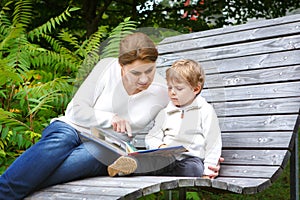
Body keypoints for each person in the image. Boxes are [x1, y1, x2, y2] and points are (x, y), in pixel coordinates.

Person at [0, 32, 222, 200]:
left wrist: (205, 154)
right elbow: (76, 110)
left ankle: (12, 190)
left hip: (108, 147)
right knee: (60, 140)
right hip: (71, 128)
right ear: (121, 66)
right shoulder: (106, 69)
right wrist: (109, 118)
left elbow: (189, 108)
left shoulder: (162, 90)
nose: (144, 80)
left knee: (92, 155)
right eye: (136, 73)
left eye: (150, 70)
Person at [108, 59, 222, 178]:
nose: (172, 93)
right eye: (169, 88)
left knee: (194, 169)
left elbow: (213, 142)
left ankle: (137, 168)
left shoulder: (205, 111)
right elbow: (152, 137)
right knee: (159, 162)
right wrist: (160, 147)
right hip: (166, 158)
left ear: (195, 89)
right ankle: (128, 165)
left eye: (179, 89)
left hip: (191, 159)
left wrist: (208, 172)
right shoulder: (165, 113)